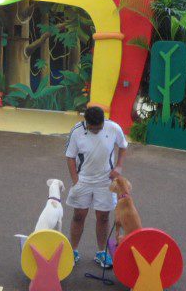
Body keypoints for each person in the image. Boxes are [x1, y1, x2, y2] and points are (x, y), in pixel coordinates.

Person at [65, 106, 128, 268]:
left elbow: (123, 146)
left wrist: (119, 167)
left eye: (99, 128)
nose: (96, 131)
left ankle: (102, 252)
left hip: (105, 181)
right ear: (87, 123)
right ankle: (72, 251)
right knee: (79, 216)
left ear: (103, 121)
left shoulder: (113, 128)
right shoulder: (77, 131)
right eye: (93, 129)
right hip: (83, 180)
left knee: (104, 217)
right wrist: (75, 180)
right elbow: (70, 157)